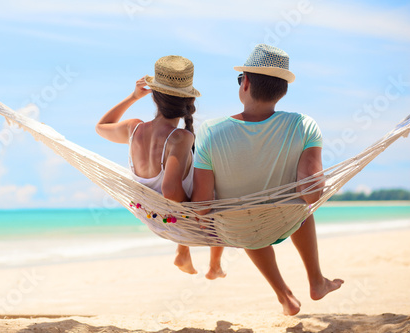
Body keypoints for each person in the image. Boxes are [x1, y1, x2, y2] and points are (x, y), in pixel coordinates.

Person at [192, 44, 344, 314]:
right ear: (283, 90)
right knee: (300, 208)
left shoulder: (210, 131)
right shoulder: (303, 125)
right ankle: (316, 280)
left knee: (249, 219)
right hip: (286, 220)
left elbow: (202, 206)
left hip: (236, 229)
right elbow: (311, 194)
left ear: (246, 82)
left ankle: (285, 296)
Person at [96, 55, 225, 279]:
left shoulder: (133, 128)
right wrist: (197, 214)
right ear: (189, 101)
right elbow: (170, 191)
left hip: (148, 212)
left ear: (154, 97)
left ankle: (184, 252)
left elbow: (101, 127)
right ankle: (214, 264)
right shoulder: (180, 137)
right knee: (217, 187)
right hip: (174, 218)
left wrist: (133, 97)